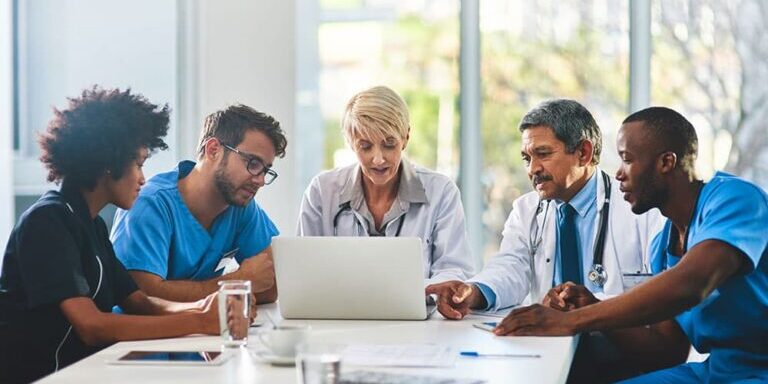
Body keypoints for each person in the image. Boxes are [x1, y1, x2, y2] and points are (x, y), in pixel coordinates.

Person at [496, 107, 768, 383]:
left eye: (627, 160)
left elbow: (693, 283)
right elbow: (665, 352)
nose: (618, 175)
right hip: (714, 373)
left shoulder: (736, 199)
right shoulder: (663, 246)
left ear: (666, 162)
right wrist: (587, 304)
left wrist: (570, 321)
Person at [0, 87, 229, 384]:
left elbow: (140, 302)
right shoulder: (47, 222)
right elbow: (91, 326)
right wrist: (199, 320)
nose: (143, 178)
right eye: (138, 163)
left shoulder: (92, 225)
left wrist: (207, 308)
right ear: (108, 162)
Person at [427, 99, 663, 317]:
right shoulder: (526, 210)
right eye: (527, 159)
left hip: (619, 347)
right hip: (552, 345)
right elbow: (510, 269)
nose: (532, 169)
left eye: (543, 154)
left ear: (583, 153)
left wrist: (591, 306)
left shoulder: (641, 210)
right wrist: (474, 292)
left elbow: (661, 293)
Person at [297, 85, 475, 284]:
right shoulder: (321, 192)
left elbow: (454, 270)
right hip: (340, 313)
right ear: (349, 142)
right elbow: (306, 271)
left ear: (406, 138)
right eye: (365, 147)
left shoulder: (441, 192)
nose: (378, 159)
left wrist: (422, 291)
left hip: (417, 313)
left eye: (389, 144)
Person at [110, 104, 286, 303]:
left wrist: (231, 287)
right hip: (150, 334)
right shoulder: (150, 204)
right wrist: (238, 282)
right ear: (213, 150)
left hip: (204, 332)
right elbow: (143, 297)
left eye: (266, 170)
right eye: (253, 164)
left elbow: (271, 284)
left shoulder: (241, 206)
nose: (260, 180)